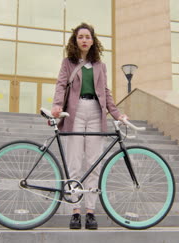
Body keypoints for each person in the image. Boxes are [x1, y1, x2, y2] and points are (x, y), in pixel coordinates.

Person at [51, 23, 128, 230]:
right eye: (80, 37)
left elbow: (105, 91)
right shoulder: (68, 63)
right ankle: (75, 212)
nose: (84, 40)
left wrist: (117, 114)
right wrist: (57, 106)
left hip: (95, 112)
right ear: (75, 41)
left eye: (87, 36)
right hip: (75, 113)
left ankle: (91, 212)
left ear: (93, 40)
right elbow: (60, 84)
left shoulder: (100, 66)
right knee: (74, 162)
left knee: (94, 163)